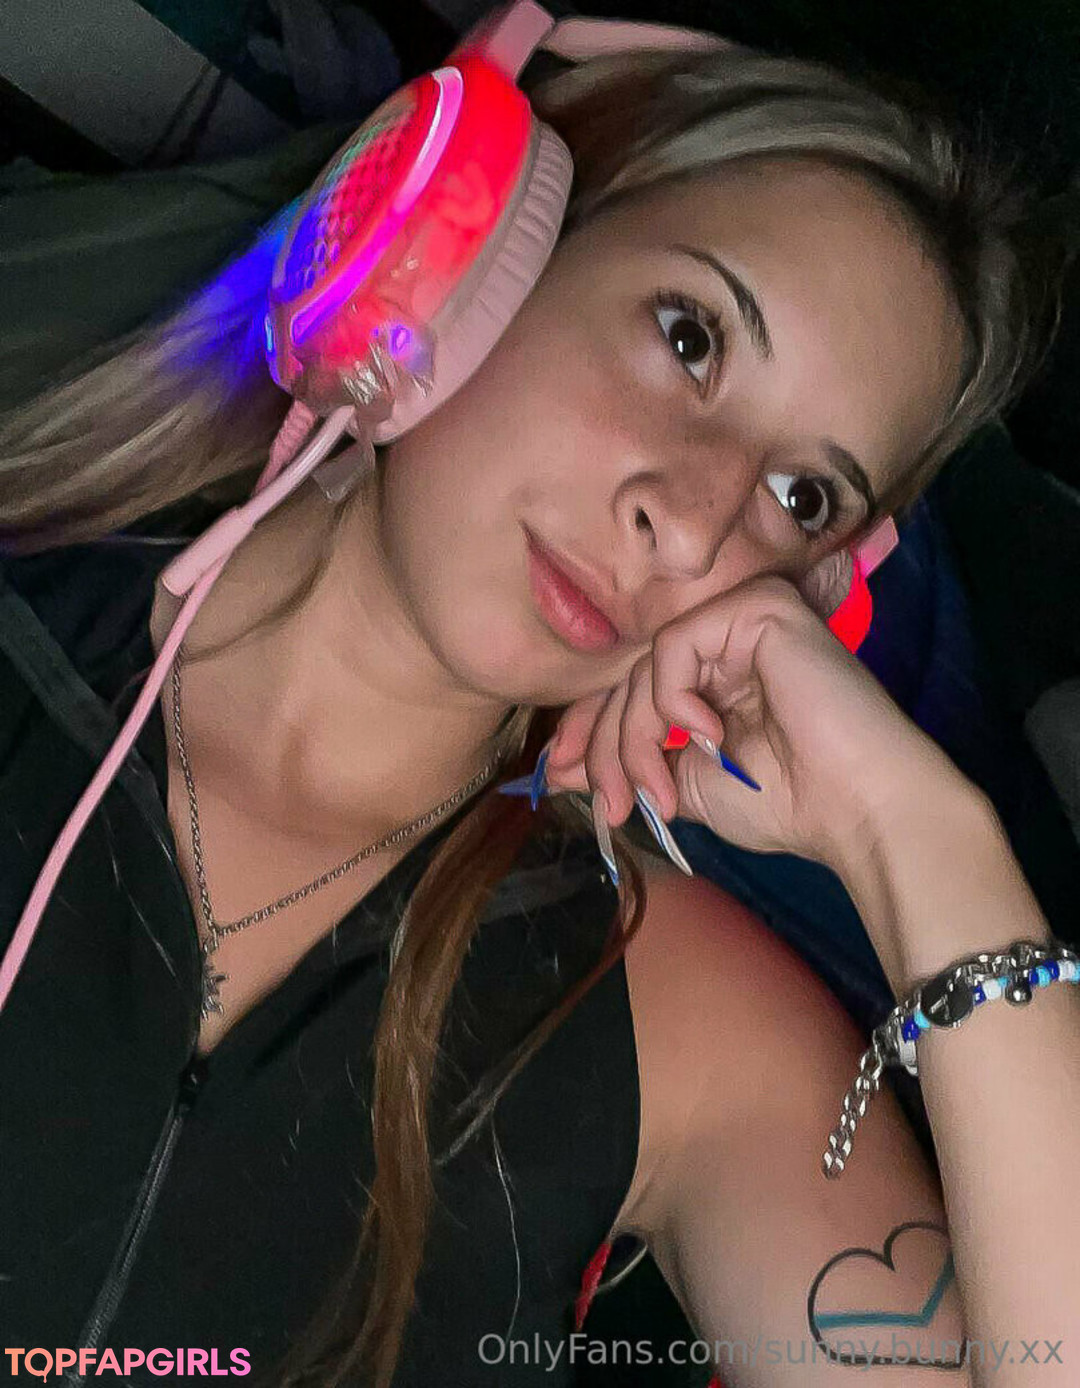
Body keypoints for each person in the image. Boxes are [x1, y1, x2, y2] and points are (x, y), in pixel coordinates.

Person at [0, 14, 1077, 1388]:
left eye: (801, 497)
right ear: (461, 252)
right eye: (688, 337)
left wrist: (927, 843)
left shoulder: (690, 1029)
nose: (692, 525)